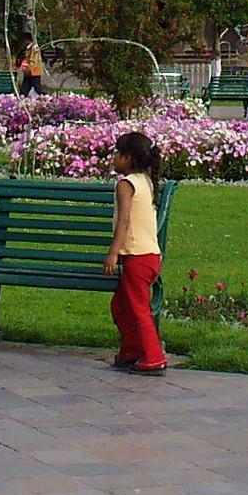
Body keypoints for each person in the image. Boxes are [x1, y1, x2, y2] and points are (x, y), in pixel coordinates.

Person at [105, 131, 168, 376]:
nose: (113, 157)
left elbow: (124, 222)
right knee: (122, 306)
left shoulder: (126, 184)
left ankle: (153, 357)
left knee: (137, 308)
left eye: (118, 153)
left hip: (137, 257)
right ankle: (131, 350)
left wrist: (113, 253)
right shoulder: (145, 180)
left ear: (128, 158)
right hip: (148, 256)